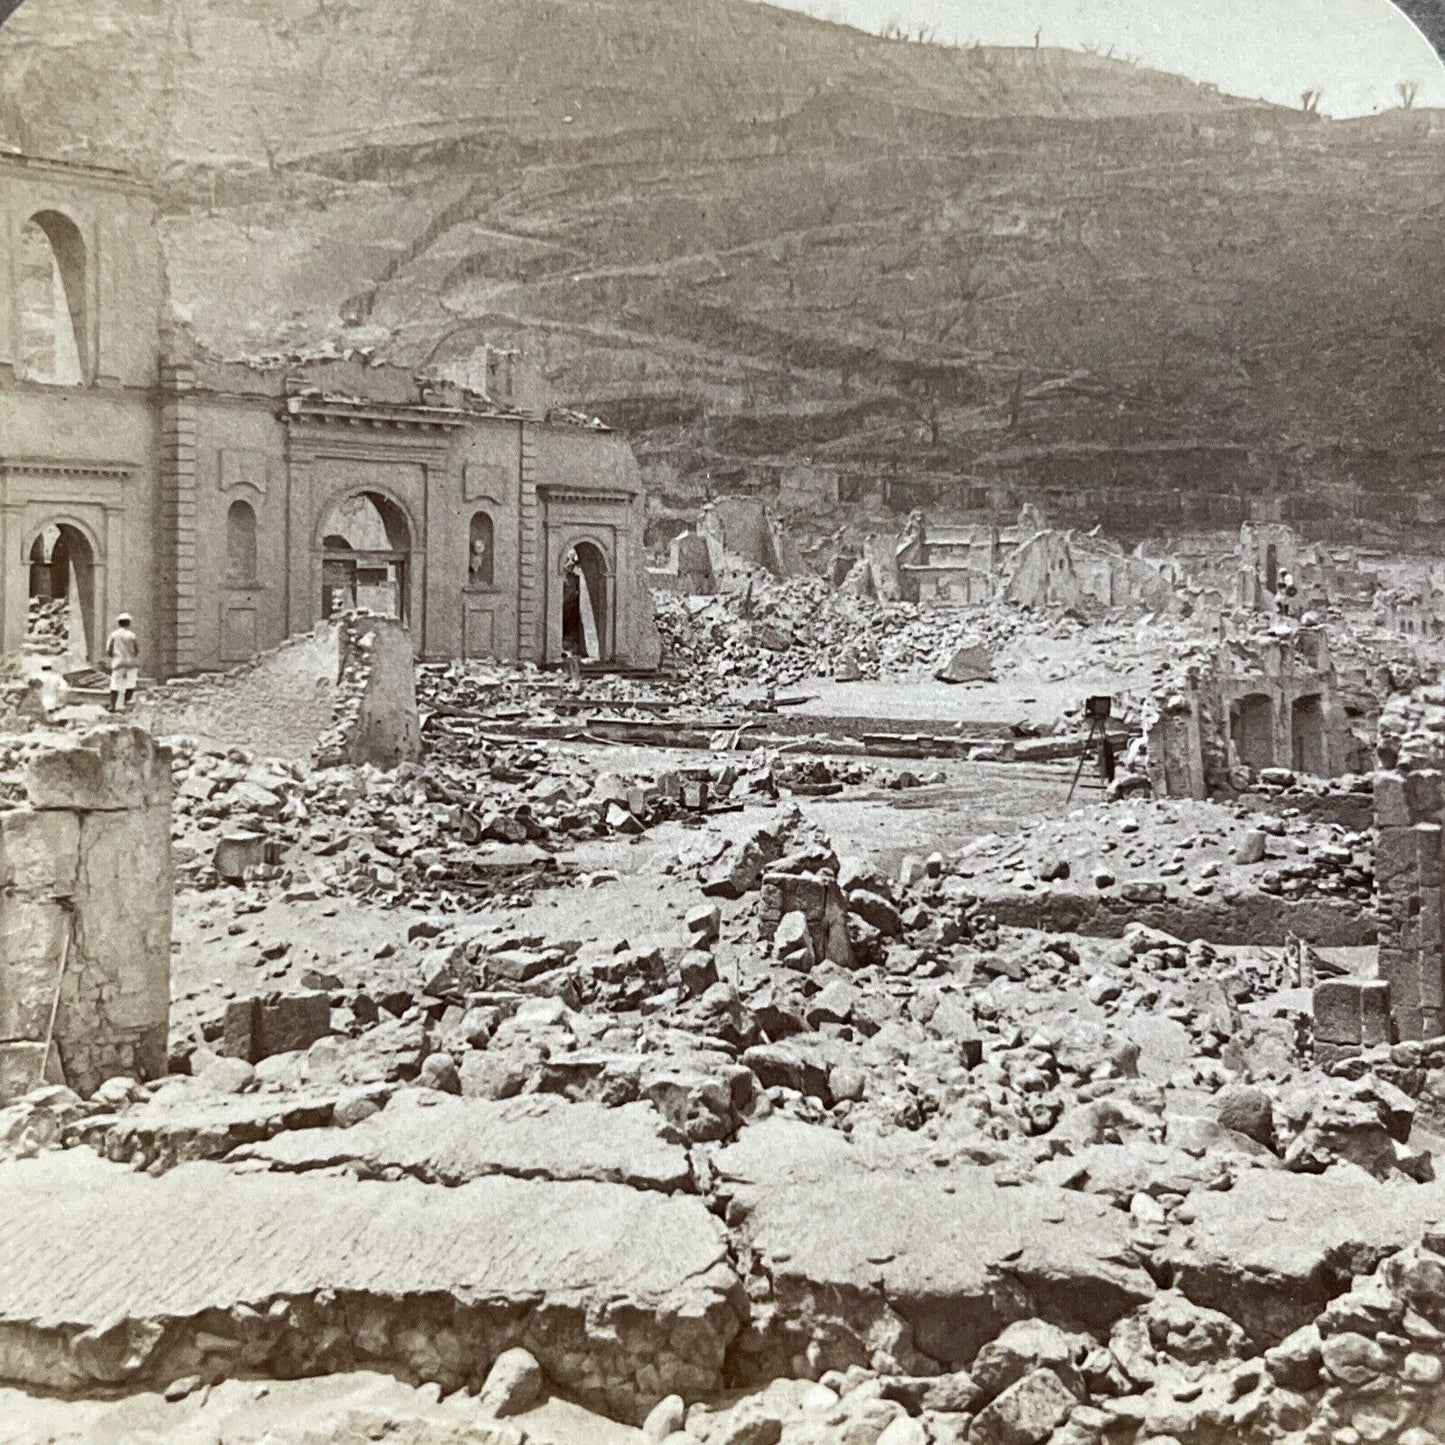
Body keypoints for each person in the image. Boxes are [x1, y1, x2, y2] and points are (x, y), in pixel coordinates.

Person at [105, 612, 140, 713]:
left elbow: (108, 650)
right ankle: (126, 704)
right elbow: (137, 650)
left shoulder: (113, 635)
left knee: (115, 684)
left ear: (119, 623)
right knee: (131, 684)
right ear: (128, 623)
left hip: (118, 663)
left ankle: (112, 706)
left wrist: (113, 656)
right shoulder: (132, 635)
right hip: (131, 663)